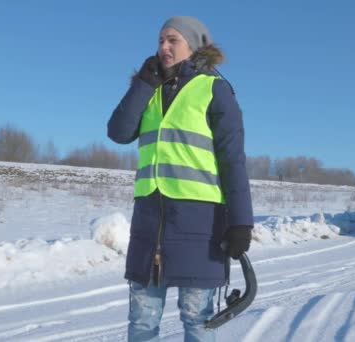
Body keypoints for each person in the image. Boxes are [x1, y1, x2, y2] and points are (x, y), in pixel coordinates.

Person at [108, 16, 254, 342]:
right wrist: (143, 84)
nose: (163, 47)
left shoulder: (215, 89)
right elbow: (118, 132)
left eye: (172, 40)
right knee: (142, 324)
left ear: (194, 45)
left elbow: (233, 160)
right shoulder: (150, 89)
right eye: (160, 40)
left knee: (197, 322)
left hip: (199, 223)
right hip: (149, 221)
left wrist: (241, 222)